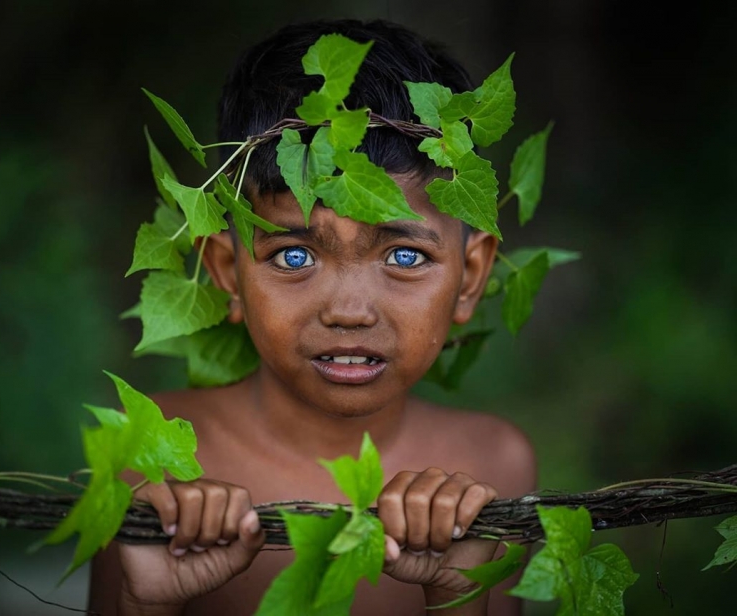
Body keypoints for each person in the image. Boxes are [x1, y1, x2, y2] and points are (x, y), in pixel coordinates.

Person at [88, 18, 537, 616]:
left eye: (405, 255)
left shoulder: (495, 463)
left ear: (470, 276)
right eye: (293, 255)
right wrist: (148, 606)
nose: (349, 311)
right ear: (226, 272)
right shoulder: (151, 458)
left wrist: (457, 595)